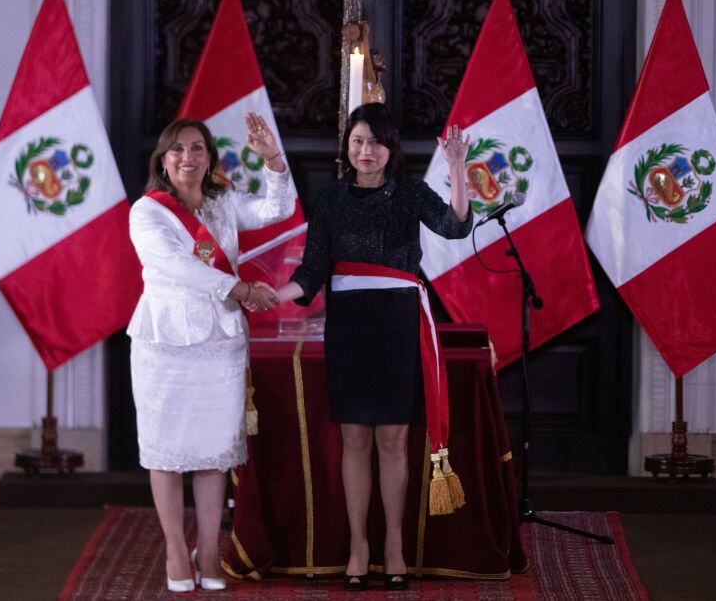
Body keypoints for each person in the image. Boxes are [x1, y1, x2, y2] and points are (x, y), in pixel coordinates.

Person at [271, 103, 472, 591]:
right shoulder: (330, 200)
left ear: (390, 148)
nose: (367, 150)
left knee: (394, 439)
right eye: (358, 141)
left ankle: (394, 544)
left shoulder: (410, 193)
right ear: (347, 146)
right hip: (350, 326)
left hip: (397, 323)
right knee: (355, 438)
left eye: (376, 142)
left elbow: (455, 226)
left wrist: (457, 170)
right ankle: (359, 545)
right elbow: (311, 272)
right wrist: (268, 296)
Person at [127, 113, 293, 593]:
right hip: (165, 342)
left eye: (197, 148)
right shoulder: (147, 212)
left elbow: (276, 210)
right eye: (178, 149)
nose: (188, 157)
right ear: (163, 160)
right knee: (165, 450)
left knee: (214, 452)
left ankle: (208, 547)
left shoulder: (223, 202)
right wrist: (241, 289)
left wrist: (273, 159)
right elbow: (176, 266)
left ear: (209, 157)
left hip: (220, 343)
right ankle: (176, 550)